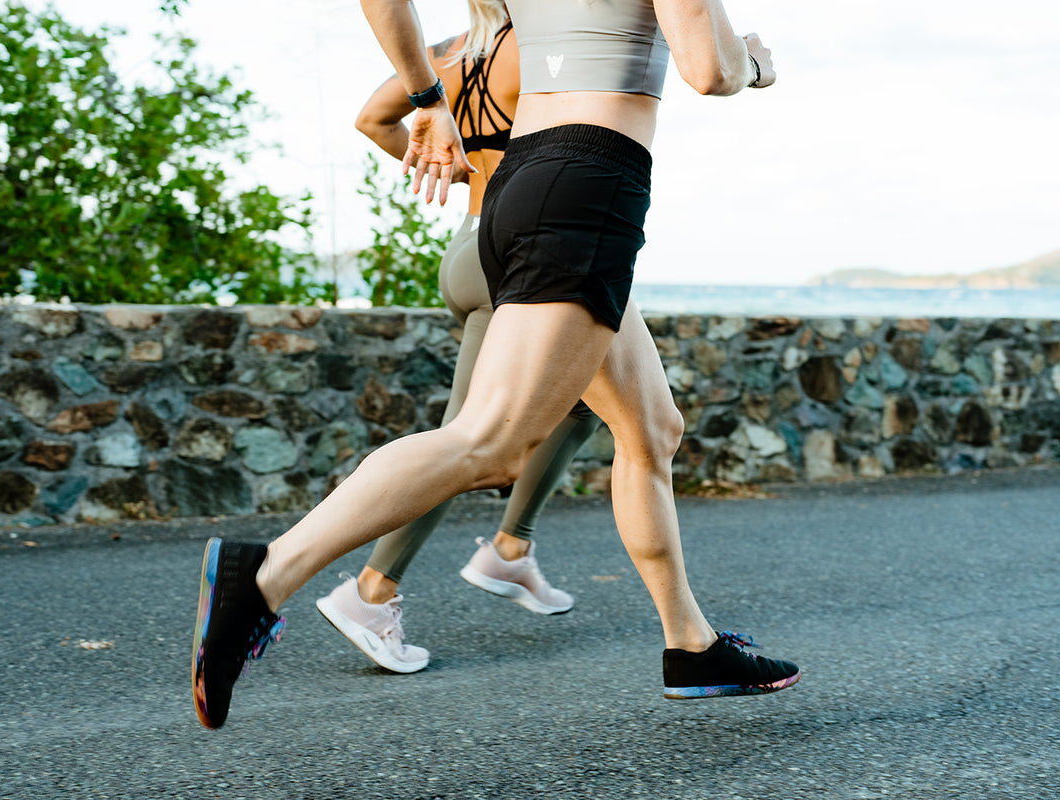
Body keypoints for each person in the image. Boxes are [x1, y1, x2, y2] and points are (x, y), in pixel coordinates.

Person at [192, 0, 800, 730]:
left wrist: (426, 96)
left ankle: (692, 646)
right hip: (590, 182)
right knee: (491, 441)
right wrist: (756, 62)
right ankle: (259, 578)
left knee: (651, 428)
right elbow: (710, 69)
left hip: (524, 179)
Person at [315, 0, 601, 675]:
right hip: (519, 254)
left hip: (468, 247)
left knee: (585, 403)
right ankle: (372, 590)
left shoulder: (446, 52)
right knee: (466, 441)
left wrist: (446, 162)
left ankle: (511, 549)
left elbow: (371, 118)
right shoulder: (537, 45)